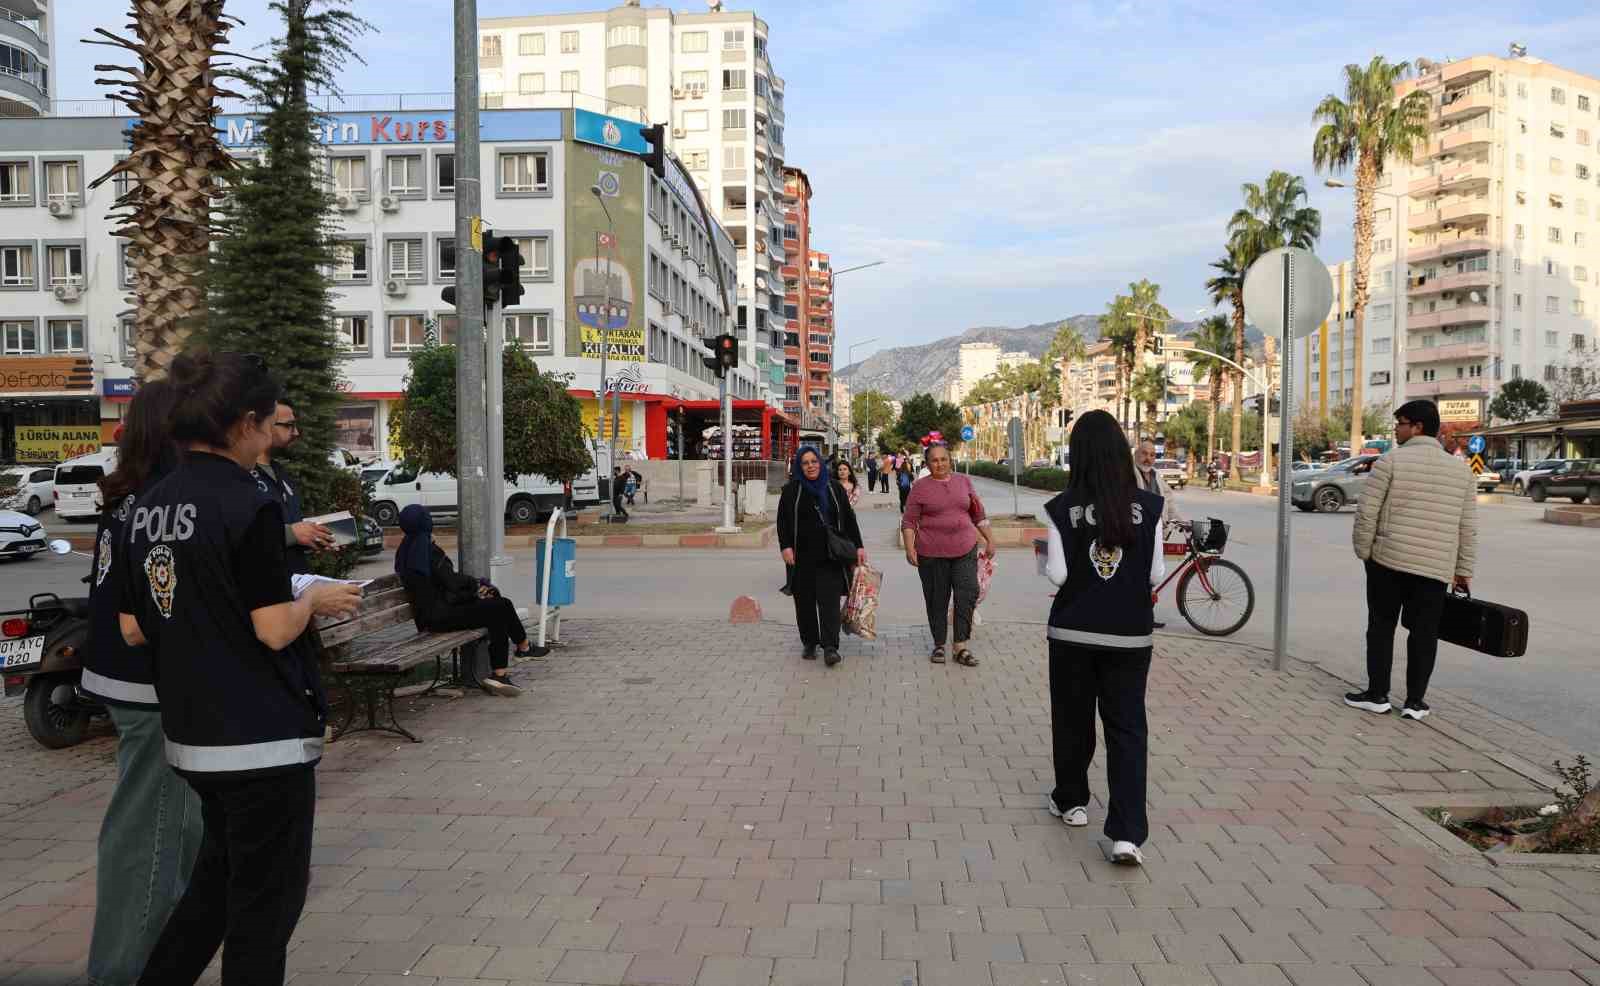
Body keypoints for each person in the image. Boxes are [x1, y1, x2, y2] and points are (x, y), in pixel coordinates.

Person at [120, 350, 362, 986]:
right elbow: (273, 627)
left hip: (193, 736)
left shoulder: (145, 508)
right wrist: (312, 598)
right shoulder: (249, 505)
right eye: (267, 420)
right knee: (263, 915)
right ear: (245, 422)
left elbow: (137, 625)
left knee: (215, 891)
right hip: (263, 741)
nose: (271, 433)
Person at [82, 379, 204, 986]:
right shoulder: (164, 502)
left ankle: (161, 961)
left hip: (133, 684)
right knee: (150, 838)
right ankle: (123, 972)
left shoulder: (133, 495)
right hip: (150, 688)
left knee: (178, 832)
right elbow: (150, 617)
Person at [1039, 409, 1164, 867]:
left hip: (1072, 631)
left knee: (1073, 719)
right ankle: (1127, 834)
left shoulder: (1060, 507)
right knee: (1128, 730)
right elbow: (1154, 574)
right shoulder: (1150, 507)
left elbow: (1057, 574)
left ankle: (1072, 802)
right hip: (1131, 637)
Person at [1348, 399, 1478, 720]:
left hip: (1387, 563)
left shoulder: (1390, 462)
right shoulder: (1461, 472)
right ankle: (1415, 702)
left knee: (1381, 627)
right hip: (1435, 569)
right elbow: (1468, 528)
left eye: (1401, 423)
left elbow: (1367, 513)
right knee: (1424, 633)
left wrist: (1365, 552)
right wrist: (1462, 570)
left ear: (1418, 426)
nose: (1396, 429)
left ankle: (1378, 695)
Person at [395, 505, 534, 696]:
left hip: (430, 615)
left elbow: (440, 586)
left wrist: (474, 591)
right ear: (427, 523)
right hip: (440, 617)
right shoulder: (428, 551)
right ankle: (518, 652)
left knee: (497, 608)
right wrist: (476, 587)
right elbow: (451, 582)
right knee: (500, 606)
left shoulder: (406, 550)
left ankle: (508, 664)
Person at [901, 442, 995, 667]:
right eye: (934, 460)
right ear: (927, 463)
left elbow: (977, 512)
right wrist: (909, 547)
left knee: (967, 593)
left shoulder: (963, 482)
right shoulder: (920, 487)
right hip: (931, 552)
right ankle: (939, 644)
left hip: (965, 548)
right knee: (937, 599)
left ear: (950, 460)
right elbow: (909, 521)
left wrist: (990, 539)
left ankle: (960, 646)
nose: (940, 464)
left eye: (943, 459)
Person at [776, 446, 865, 667]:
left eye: (814, 461)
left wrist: (859, 546)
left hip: (830, 556)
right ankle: (809, 642)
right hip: (801, 557)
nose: (810, 466)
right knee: (804, 602)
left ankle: (830, 647)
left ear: (821, 463)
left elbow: (849, 518)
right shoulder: (790, 490)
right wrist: (785, 547)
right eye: (805, 463)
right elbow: (782, 522)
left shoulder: (834, 488)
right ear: (799, 466)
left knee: (830, 603)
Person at [252, 400, 332, 576]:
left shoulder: (280, 473)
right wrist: (291, 534)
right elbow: (242, 533)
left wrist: (314, 537)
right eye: (289, 426)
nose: (296, 433)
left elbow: (293, 524)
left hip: (296, 581)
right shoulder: (243, 475)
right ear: (266, 425)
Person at [1133, 439, 1182, 630]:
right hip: (1135, 534)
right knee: (1139, 576)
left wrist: (1180, 520)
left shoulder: (1156, 476)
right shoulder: (1130, 474)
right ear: (1136, 455)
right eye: (1145, 454)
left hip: (1154, 534)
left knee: (1150, 577)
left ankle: (1146, 616)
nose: (1148, 459)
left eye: (1152, 455)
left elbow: (1168, 501)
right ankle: (1139, 616)